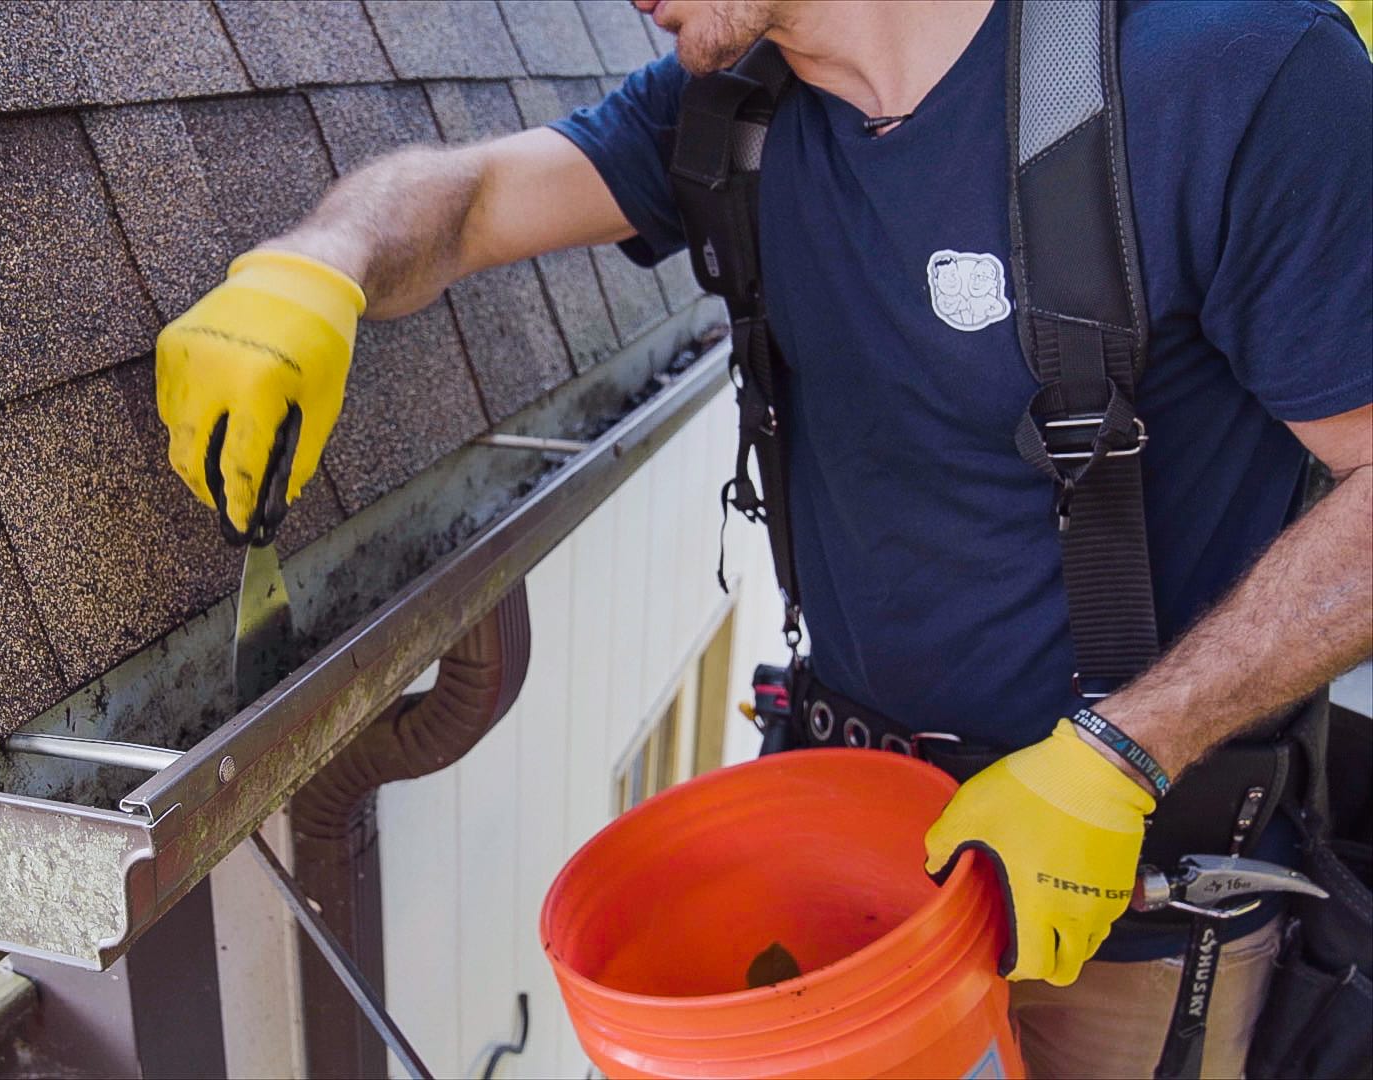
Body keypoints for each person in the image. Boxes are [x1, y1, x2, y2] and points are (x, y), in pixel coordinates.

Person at [154, 1, 1372, 1074]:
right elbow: (469, 197)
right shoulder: (732, 106)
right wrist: (322, 260)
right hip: (852, 867)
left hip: (1121, 903)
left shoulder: (1229, 74)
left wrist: (1122, 755)